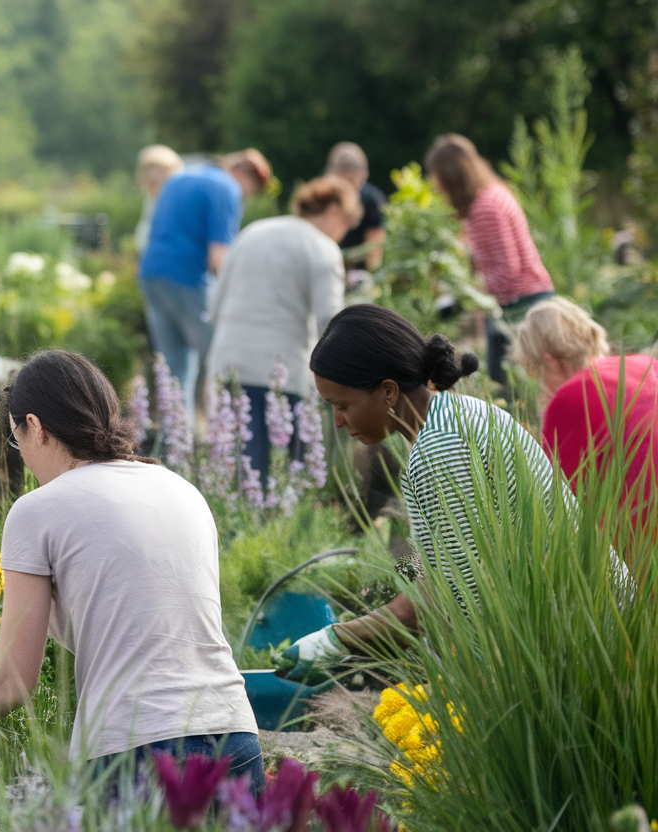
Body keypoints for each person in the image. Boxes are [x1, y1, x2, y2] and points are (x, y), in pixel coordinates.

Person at [0, 350, 262, 785]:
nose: (22, 457)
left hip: (137, 748)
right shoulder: (182, 490)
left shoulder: (38, 509)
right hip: (235, 734)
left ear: (35, 426)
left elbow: (10, 681)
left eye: (16, 440)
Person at [276, 304, 564, 681]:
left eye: (342, 405)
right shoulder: (457, 414)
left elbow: (447, 595)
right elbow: (446, 569)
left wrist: (338, 640)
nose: (339, 421)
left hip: (574, 636)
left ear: (388, 391)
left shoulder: (440, 447)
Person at [207, 175, 359, 480]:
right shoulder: (323, 248)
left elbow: (215, 304)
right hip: (284, 372)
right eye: (346, 224)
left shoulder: (252, 232)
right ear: (334, 211)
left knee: (238, 472)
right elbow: (331, 321)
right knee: (285, 476)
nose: (342, 234)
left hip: (230, 361)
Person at [510, 297, 658, 547]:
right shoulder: (644, 364)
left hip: (636, 545)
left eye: (533, 370)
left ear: (548, 361)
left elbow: (558, 503)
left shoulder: (571, 397)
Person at [139, 149, 271, 417]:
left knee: (175, 372)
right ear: (247, 176)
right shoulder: (226, 188)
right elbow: (219, 257)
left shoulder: (179, 178)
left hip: (151, 276)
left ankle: (177, 439)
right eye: (252, 191)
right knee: (224, 362)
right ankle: (234, 434)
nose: (247, 197)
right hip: (187, 279)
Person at [424, 134, 555, 385]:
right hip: (521, 301)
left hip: (521, 307)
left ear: (451, 177)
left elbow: (508, 270)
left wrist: (465, 298)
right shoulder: (491, 196)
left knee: (510, 386)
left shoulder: (485, 208)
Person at [325, 142, 386, 271]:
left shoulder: (371, 199)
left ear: (364, 175)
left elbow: (374, 243)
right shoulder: (323, 198)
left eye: (352, 182)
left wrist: (372, 273)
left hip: (358, 269)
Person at [134, 145, 184, 258]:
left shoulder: (176, 199)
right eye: (148, 170)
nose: (153, 175)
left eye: (158, 170)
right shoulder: (152, 198)